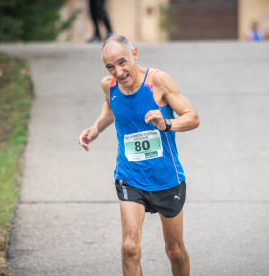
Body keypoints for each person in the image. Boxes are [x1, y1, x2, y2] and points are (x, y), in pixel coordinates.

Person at [79, 35, 200, 276]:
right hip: (129, 175)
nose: (119, 72)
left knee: (175, 250)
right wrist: (96, 128)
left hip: (166, 178)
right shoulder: (109, 86)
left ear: (135, 54)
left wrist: (166, 123)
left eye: (122, 62)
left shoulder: (158, 81)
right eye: (111, 67)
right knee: (130, 247)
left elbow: (192, 117)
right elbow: (110, 108)